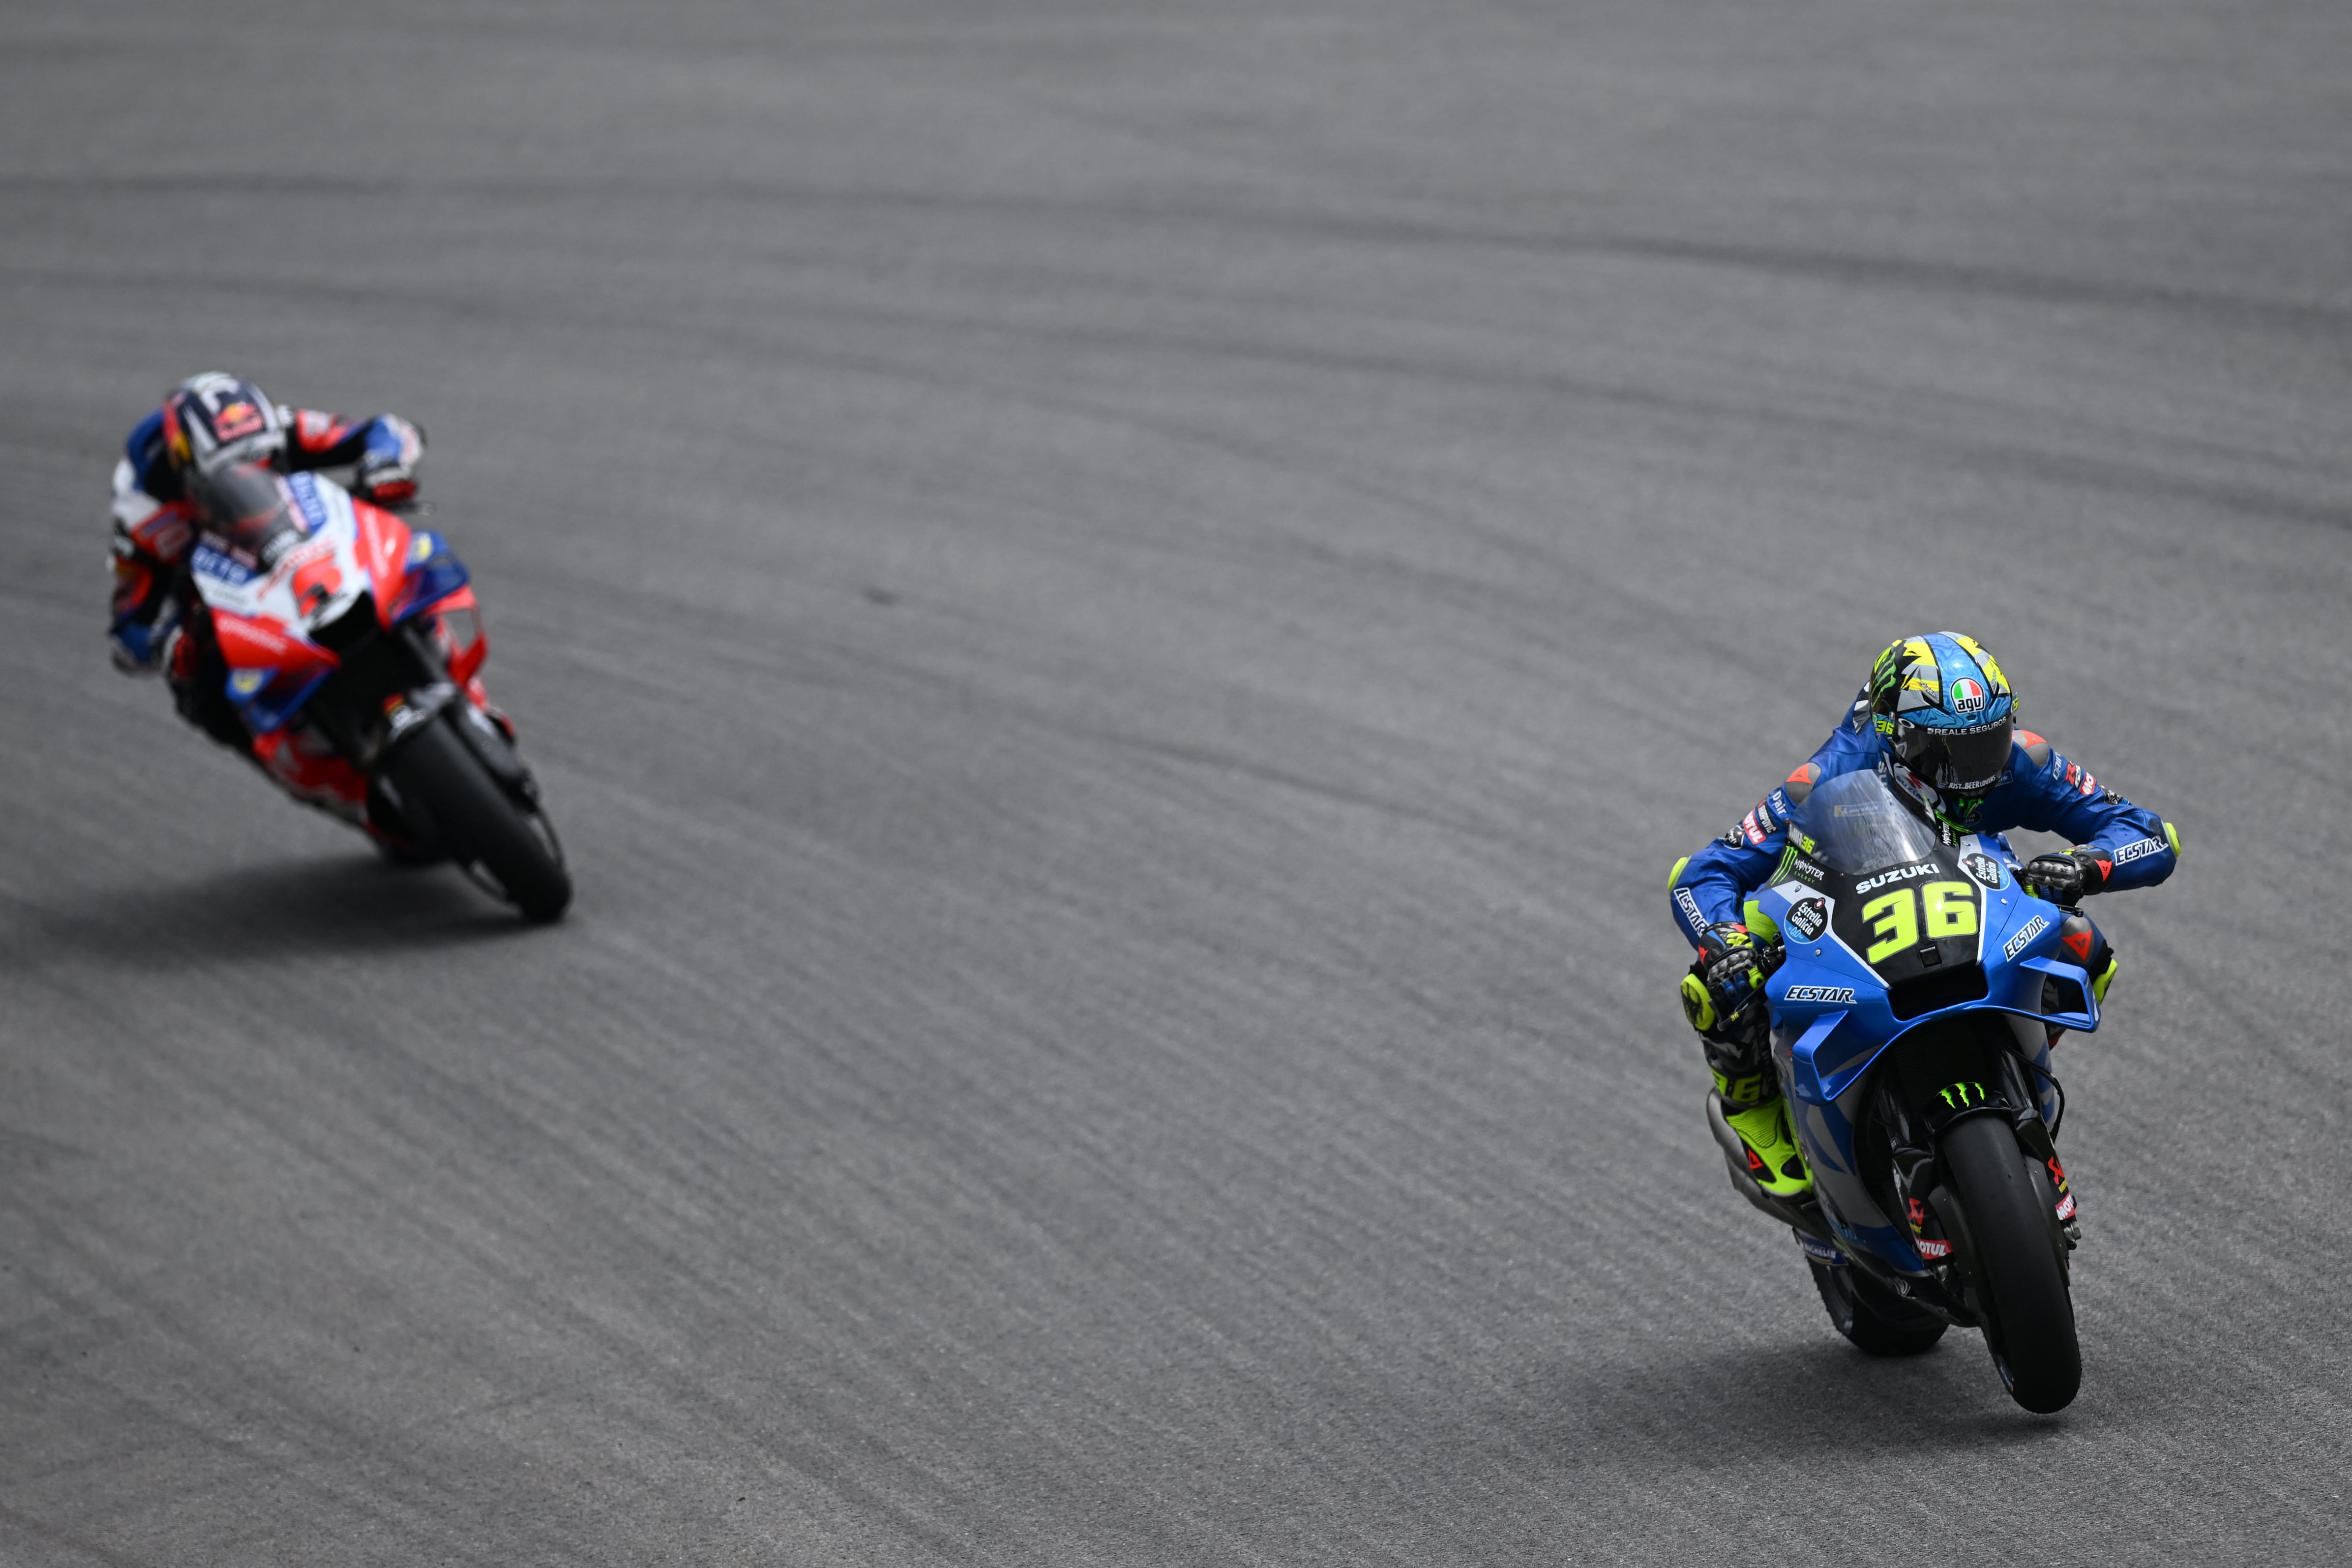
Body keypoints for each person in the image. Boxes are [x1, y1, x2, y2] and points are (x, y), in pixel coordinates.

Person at [1667, 633, 2181, 1198]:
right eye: (1951, 755)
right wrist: (1724, 935)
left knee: (2083, 944)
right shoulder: (1832, 771)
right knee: (1719, 980)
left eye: (1988, 743)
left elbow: (2150, 834)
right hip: (1843, 895)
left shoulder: (2020, 761)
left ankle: (2011, 1053)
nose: (1976, 771)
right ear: (1897, 738)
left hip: (1973, 885)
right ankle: (1755, 1112)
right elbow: (1701, 874)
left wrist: (2085, 865)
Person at [106, 373, 426, 755]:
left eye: (266, 464)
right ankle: (301, 764)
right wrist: (163, 643)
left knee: (405, 561)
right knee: (202, 694)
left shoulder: (271, 427)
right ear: (186, 469)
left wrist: (383, 464)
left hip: (299, 551)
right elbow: (127, 633)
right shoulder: (144, 511)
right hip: (219, 608)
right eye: (235, 473)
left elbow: (389, 430)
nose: (254, 477)